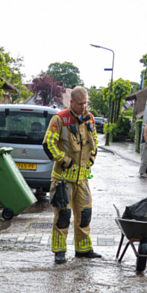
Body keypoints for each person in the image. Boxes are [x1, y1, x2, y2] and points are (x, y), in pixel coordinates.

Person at [44, 86, 100, 264]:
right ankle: (59, 251)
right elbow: (48, 144)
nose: (84, 107)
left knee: (85, 214)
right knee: (63, 216)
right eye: (80, 104)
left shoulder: (89, 118)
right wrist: (64, 160)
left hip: (82, 179)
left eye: (86, 103)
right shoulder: (59, 119)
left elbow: (95, 140)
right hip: (63, 180)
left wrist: (92, 157)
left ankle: (83, 250)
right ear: (71, 102)